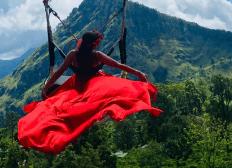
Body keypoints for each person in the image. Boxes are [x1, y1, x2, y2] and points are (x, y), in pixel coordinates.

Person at [18, 31, 162, 154]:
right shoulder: (95, 56)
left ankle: (78, 137)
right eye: (96, 43)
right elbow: (118, 66)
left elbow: (58, 73)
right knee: (82, 107)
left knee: (68, 108)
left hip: (87, 86)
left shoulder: (75, 55)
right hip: (86, 86)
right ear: (90, 44)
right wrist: (137, 73)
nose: (98, 44)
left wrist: (46, 88)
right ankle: (79, 137)